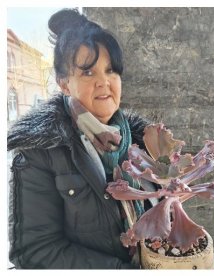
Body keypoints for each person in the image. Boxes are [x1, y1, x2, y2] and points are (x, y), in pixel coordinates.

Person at [8, 9, 150, 268]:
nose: (104, 82)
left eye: (111, 71)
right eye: (88, 72)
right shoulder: (39, 151)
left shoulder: (140, 141)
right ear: (64, 82)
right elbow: (33, 251)